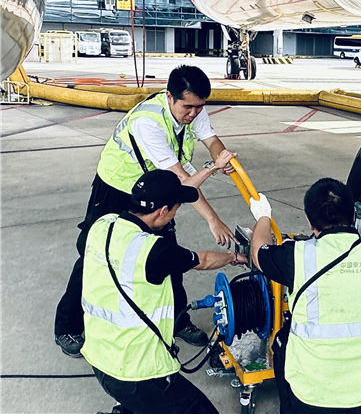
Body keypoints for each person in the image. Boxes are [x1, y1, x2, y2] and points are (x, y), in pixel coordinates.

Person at [55, 64, 237, 357]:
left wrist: (223, 157)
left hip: (152, 188)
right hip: (116, 188)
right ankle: (67, 325)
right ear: (170, 96)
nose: (193, 114)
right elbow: (182, 182)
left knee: (168, 253)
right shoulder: (148, 122)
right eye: (188, 107)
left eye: (199, 107)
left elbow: (213, 141)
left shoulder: (193, 109)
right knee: (95, 253)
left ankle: (178, 320)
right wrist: (212, 218)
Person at [83, 169, 247, 414]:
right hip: (138, 373)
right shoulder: (153, 251)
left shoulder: (102, 225)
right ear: (162, 212)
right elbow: (202, 260)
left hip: (99, 357)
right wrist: (234, 257)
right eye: (176, 208)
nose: (174, 214)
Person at [250, 178, 361, 414]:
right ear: (353, 214)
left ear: (309, 222)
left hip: (317, 400)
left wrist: (263, 217)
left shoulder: (296, 257)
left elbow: (258, 252)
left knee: (281, 341)